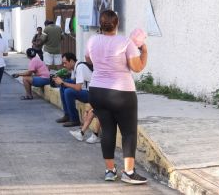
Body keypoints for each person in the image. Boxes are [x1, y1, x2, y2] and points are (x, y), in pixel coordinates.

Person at [85, 10, 148, 184]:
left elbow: (88, 59)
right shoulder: (125, 42)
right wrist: (144, 51)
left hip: (97, 91)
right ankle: (128, 172)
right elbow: (137, 67)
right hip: (122, 93)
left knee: (107, 131)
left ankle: (110, 171)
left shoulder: (92, 40)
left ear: (100, 23)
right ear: (117, 22)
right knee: (128, 132)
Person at [53, 53, 93, 127]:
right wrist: (62, 81)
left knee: (68, 92)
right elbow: (74, 81)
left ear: (71, 61)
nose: (64, 65)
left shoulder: (80, 67)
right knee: (64, 86)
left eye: (65, 63)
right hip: (85, 89)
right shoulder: (74, 67)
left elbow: (78, 88)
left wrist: (62, 82)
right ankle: (67, 115)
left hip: (91, 93)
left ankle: (74, 119)